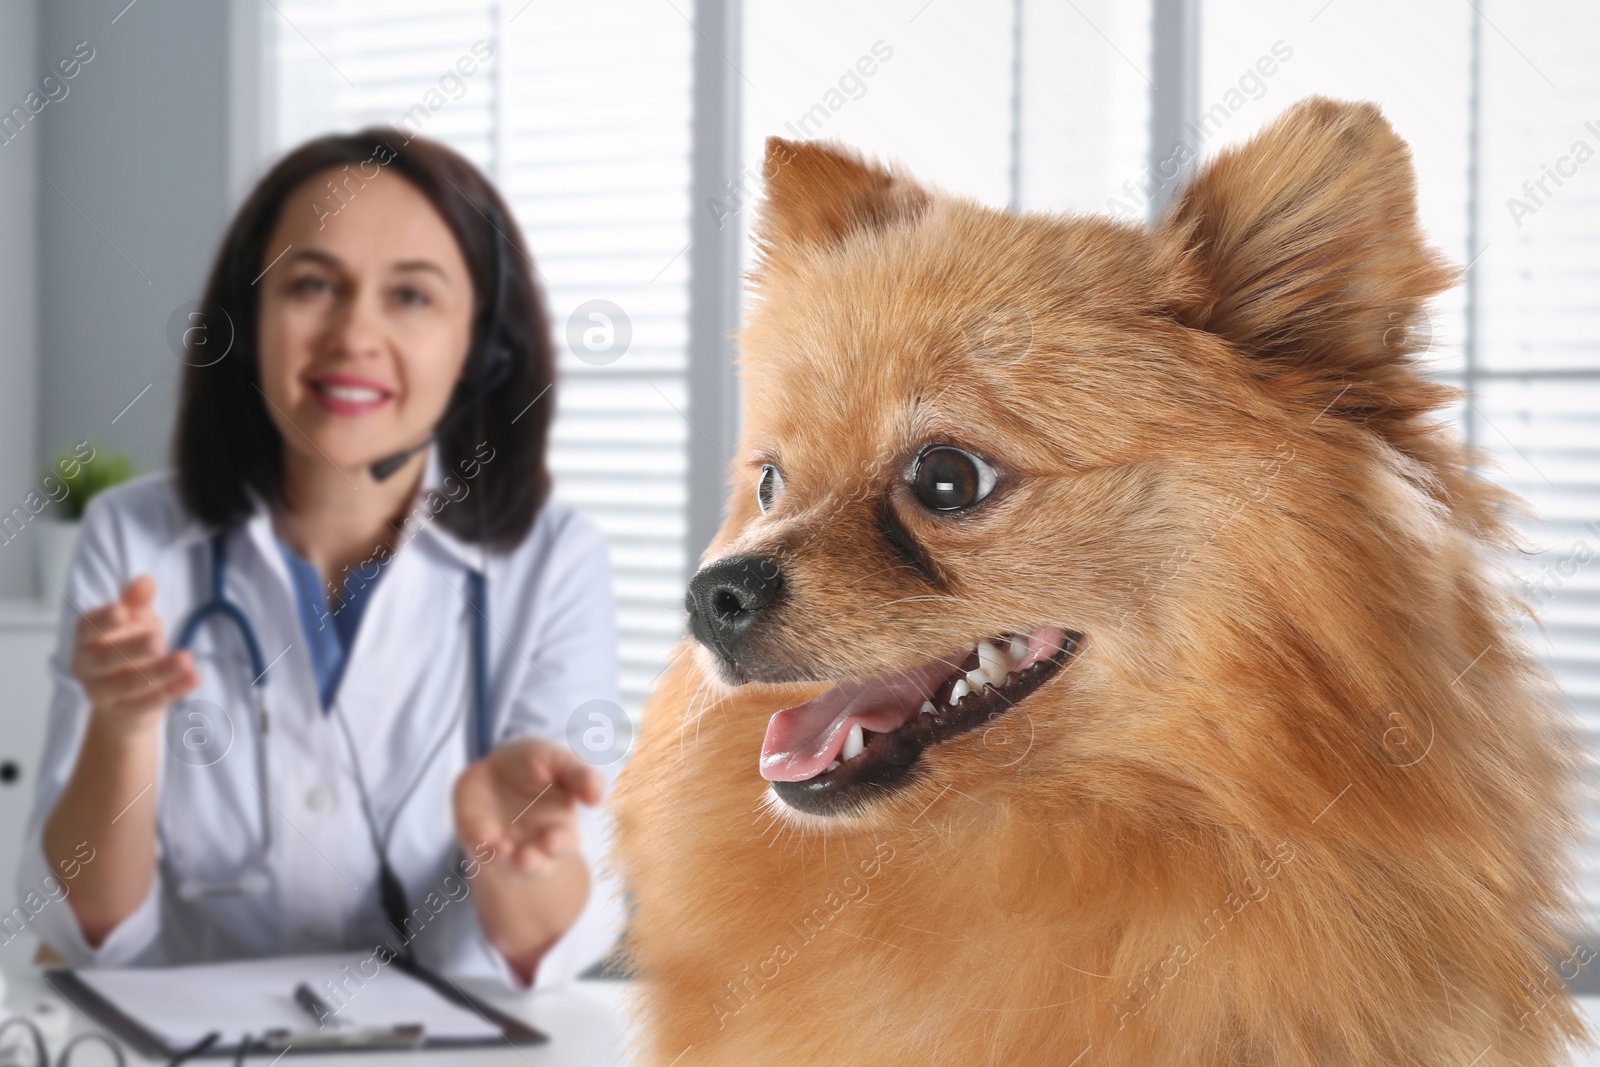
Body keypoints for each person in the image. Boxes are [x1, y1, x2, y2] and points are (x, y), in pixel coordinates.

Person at [17, 129, 623, 989]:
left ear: (479, 349)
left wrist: (515, 847)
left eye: (411, 295)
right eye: (311, 284)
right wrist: (120, 732)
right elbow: (90, 930)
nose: (354, 333)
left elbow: (548, 944)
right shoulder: (135, 539)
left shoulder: (555, 558)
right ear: (249, 321)